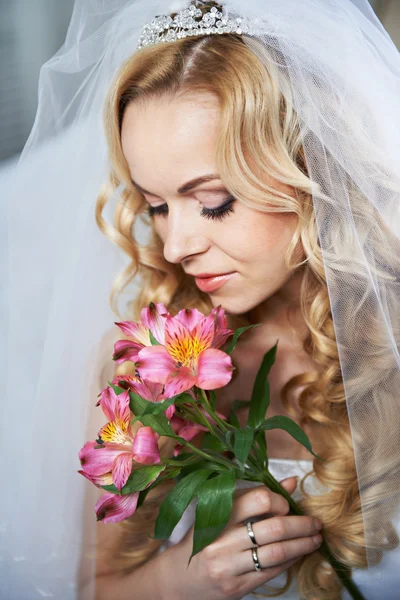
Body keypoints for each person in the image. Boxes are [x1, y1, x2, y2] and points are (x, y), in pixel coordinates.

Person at [2, 1, 400, 599]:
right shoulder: (143, 370)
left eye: (214, 201)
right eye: (157, 205)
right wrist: (184, 582)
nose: (176, 244)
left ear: (310, 167)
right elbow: (94, 586)